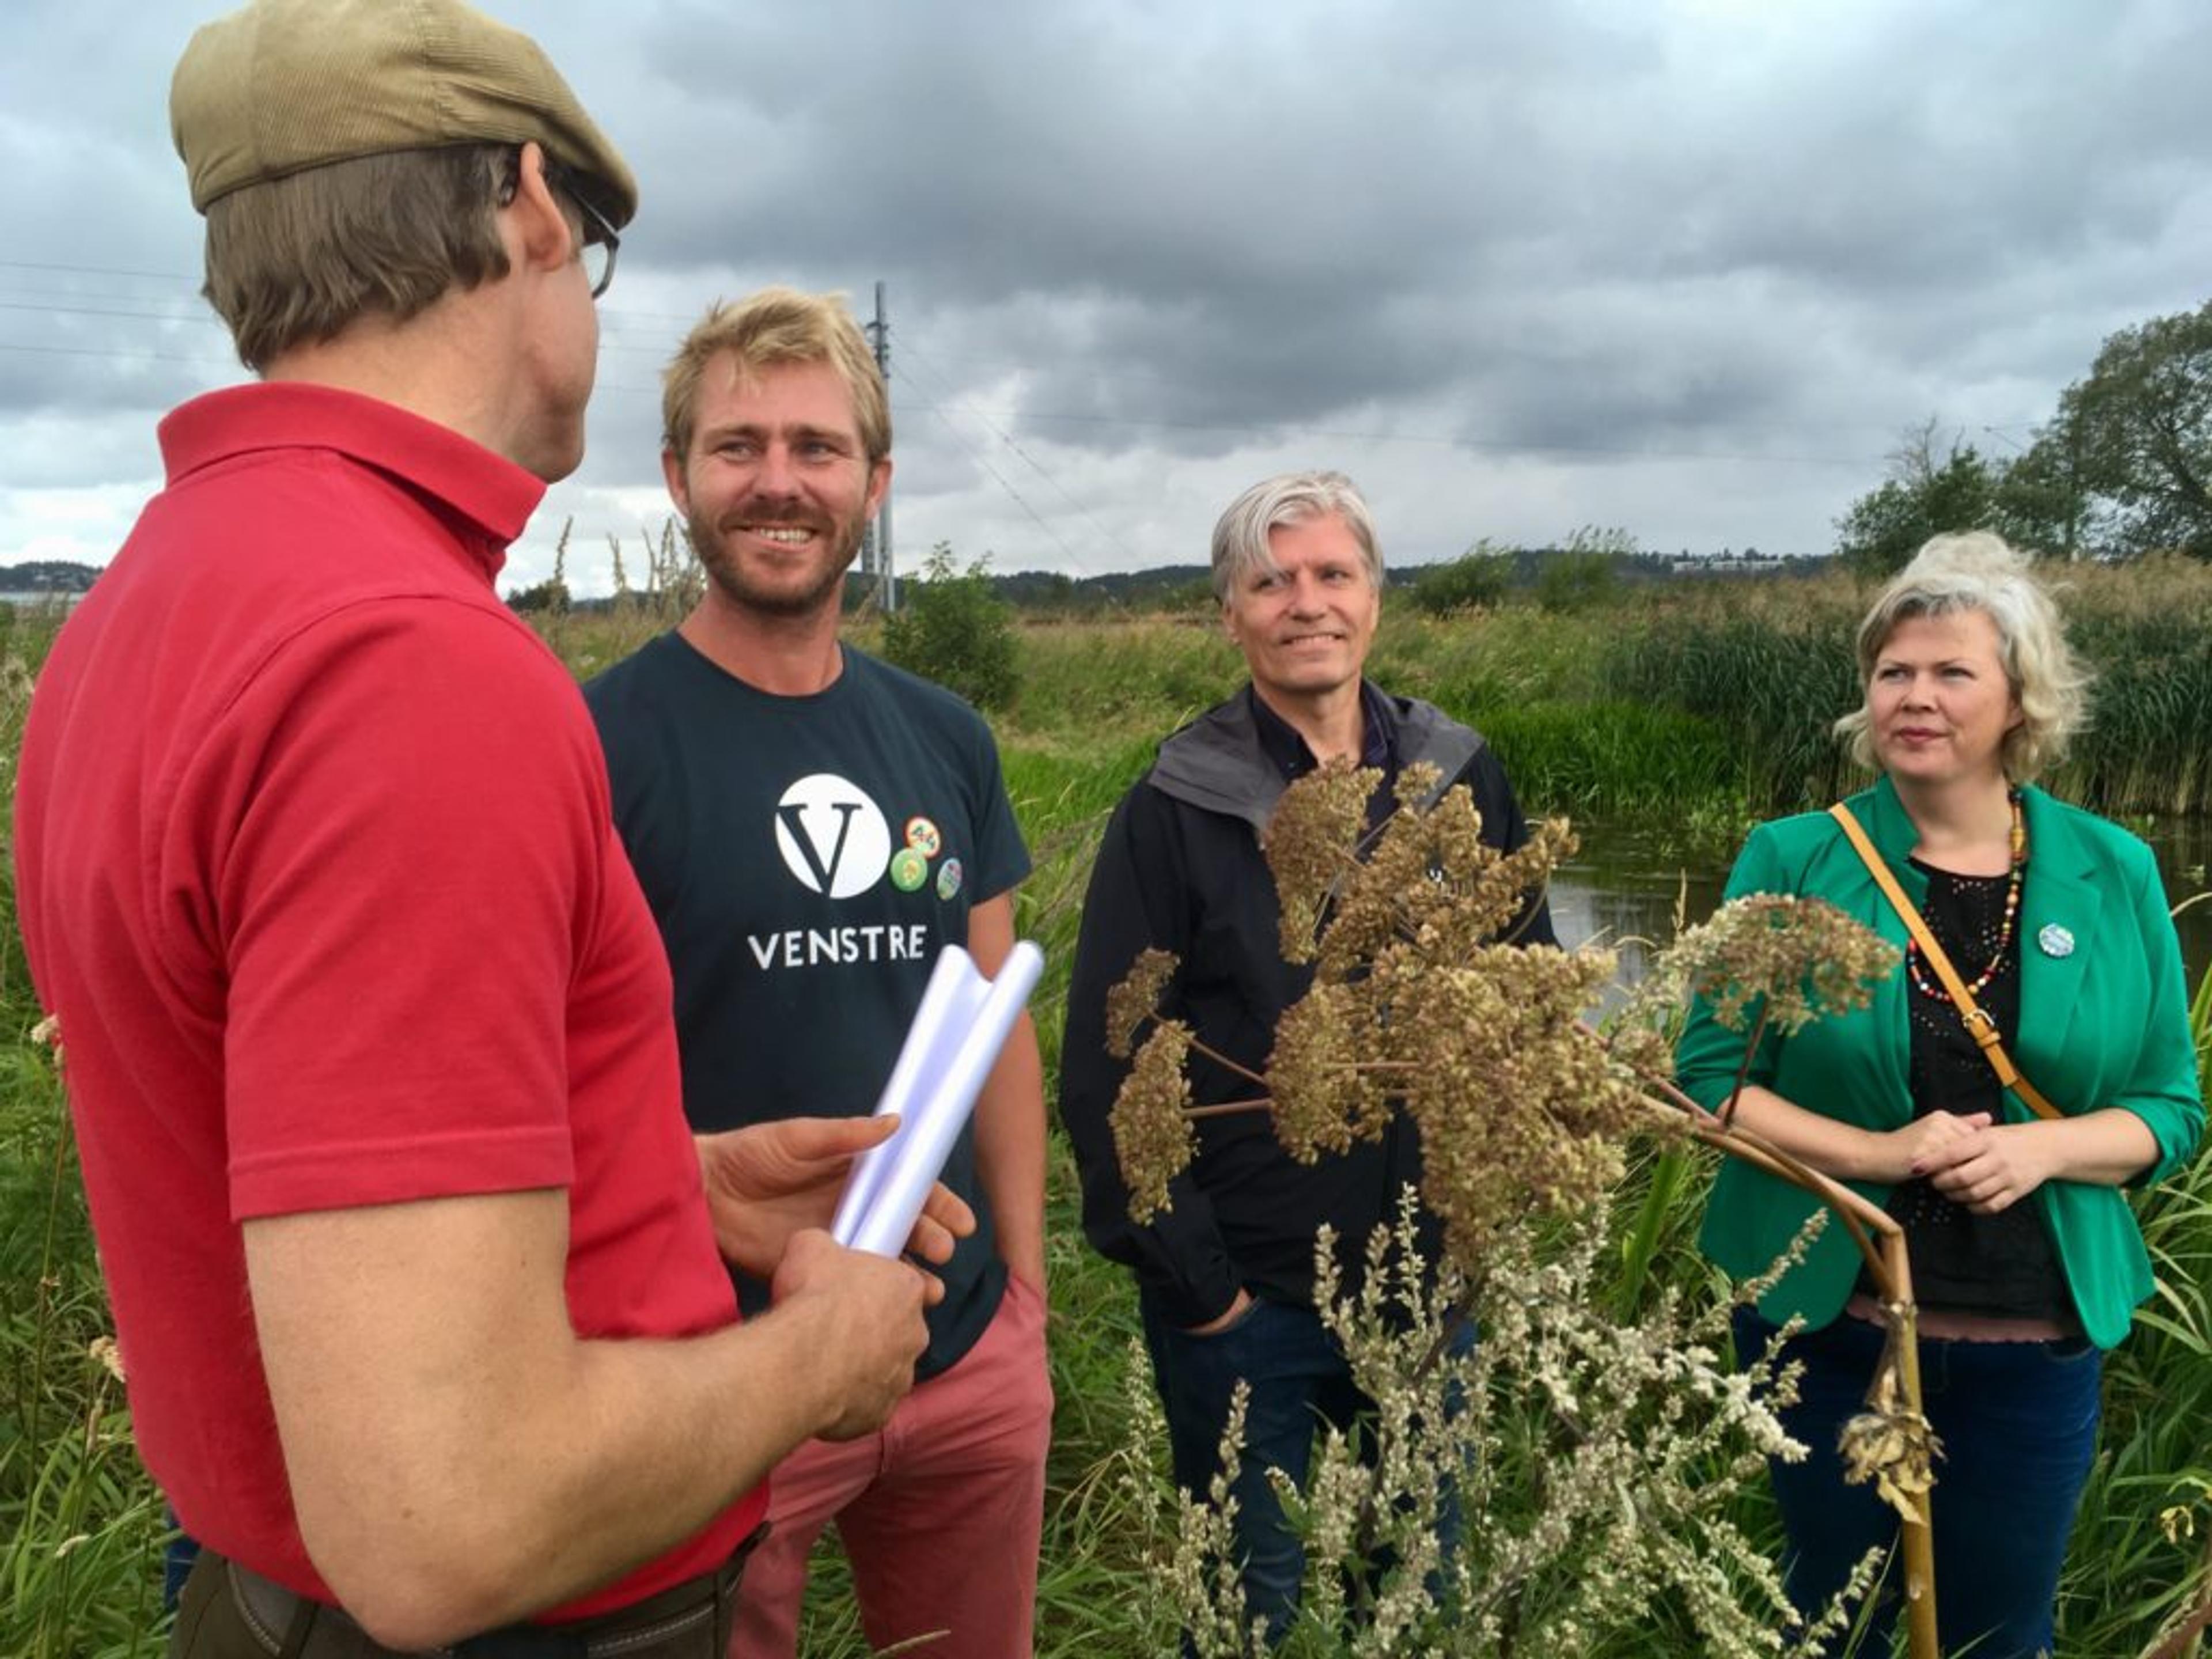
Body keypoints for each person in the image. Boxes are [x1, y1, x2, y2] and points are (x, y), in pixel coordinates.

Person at [13, 7, 955, 1656]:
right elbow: (447, 1521)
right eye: (588, 247)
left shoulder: (153, 599)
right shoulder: (408, 665)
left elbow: (305, 1164)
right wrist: (822, 1355)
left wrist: (666, 1184)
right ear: (528, 207)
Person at [584, 287, 1052, 1659]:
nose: (778, 482)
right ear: (678, 477)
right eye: (738, 447)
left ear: (875, 484)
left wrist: (1025, 1303)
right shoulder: (592, 744)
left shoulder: (945, 739)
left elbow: (994, 1027)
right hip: (711, 1378)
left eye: (817, 447)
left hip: (961, 1354)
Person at [1676, 532, 2203, 1657]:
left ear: (2019, 700)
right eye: (1894, 672)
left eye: (1952, 672)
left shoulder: (2113, 869)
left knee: (2002, 1634)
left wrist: (2040, 1152)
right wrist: (1881, 1155)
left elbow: (2171, 1109)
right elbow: (1710, 1084)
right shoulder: (1793, 859)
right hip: (1831, 1326)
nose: (1915, 696)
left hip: (2035, 1346)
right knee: (1836, 1623)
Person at [1058, 470, 1556, 1642]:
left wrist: (1490, 1215)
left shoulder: (1454, 774)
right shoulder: (1178, 802)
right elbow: (1111, 1067)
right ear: (1230, 614)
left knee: (1414, 1605)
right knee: (1248, 1615)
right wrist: (1205, 1294)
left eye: (1333, 573)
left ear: (1375, 596)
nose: (1306, 603)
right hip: (1253, 1297)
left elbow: (1522, 985)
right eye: (1271, 582)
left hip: (1429, 1288)